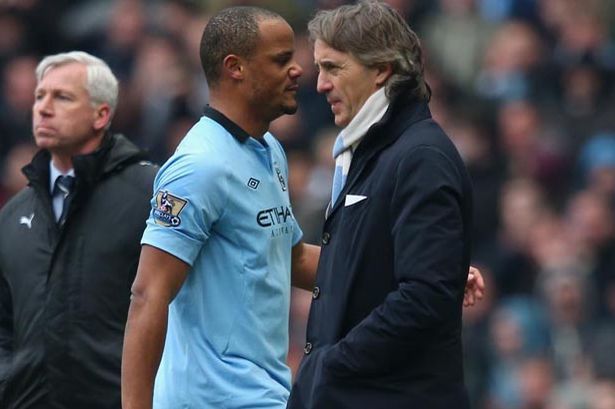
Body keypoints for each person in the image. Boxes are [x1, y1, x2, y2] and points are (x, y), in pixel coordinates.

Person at [121, 6, 484, 409]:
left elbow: (290, 258)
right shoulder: (198, 166)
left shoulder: (269, 151)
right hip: (209, 399)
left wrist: (426, 267)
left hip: (265, 394)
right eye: (281, 60)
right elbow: (147, 295)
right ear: (235, 68)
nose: (300, 72)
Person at [287, 1, 476, 408]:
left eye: (334, 68)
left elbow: (424, 298)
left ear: (381, 70)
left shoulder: (421, 157)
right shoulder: (369, 154)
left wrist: (332, 365)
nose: (320, 84)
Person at [0, 51, 157, 409]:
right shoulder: (13, 214)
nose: (43, 107)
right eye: (40, 96)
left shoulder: (150, 194)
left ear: (102, 114)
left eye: (62, 97)